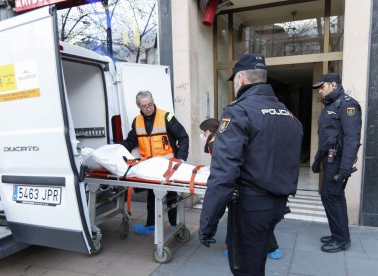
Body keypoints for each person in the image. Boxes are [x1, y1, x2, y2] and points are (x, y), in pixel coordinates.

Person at [199, 53, 303, 275]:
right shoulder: (288, 114)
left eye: (235, 79)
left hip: (250, 207)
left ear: (241, 79)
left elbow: (223, 174)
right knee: (257, 261)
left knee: (245, 268)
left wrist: (208, 223)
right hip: (277, 204)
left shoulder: (238, 112)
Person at [199, 118, 283, 260]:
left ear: (208, 132)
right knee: (255, 218)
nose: (200, 136)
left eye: (201, 133)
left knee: (237, 218)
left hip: (239, 184)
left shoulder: (215, 143)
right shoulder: (225, 137)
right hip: (251, 180)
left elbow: (224, 168)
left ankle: (242, 248)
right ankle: (270, 248)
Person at [121, 90, 189, 235]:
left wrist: (181, 159)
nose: (148, 108)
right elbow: (130, 141)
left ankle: (173, 225)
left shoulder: (166, 117)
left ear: (153, 101)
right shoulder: (137, 121)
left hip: (168, 164)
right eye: (144, 106)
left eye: (150, 104)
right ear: (139, 106)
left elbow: (183, 137)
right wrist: (116, 149)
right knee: (151, 195)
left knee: (171, 195)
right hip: (150, 166)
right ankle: (150, 225)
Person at [311, 73, 362, 253]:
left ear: (333, 84)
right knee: (331, 197)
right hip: (329, 159)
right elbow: (327, 138)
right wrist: (318, 160)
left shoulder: (347, 104)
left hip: (339, 161)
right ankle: (337, 234)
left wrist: (345, 168)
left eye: (322, 86)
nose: (320, 91)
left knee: (332, 197)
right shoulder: (331, 105)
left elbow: (352, 139)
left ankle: (341, 239)